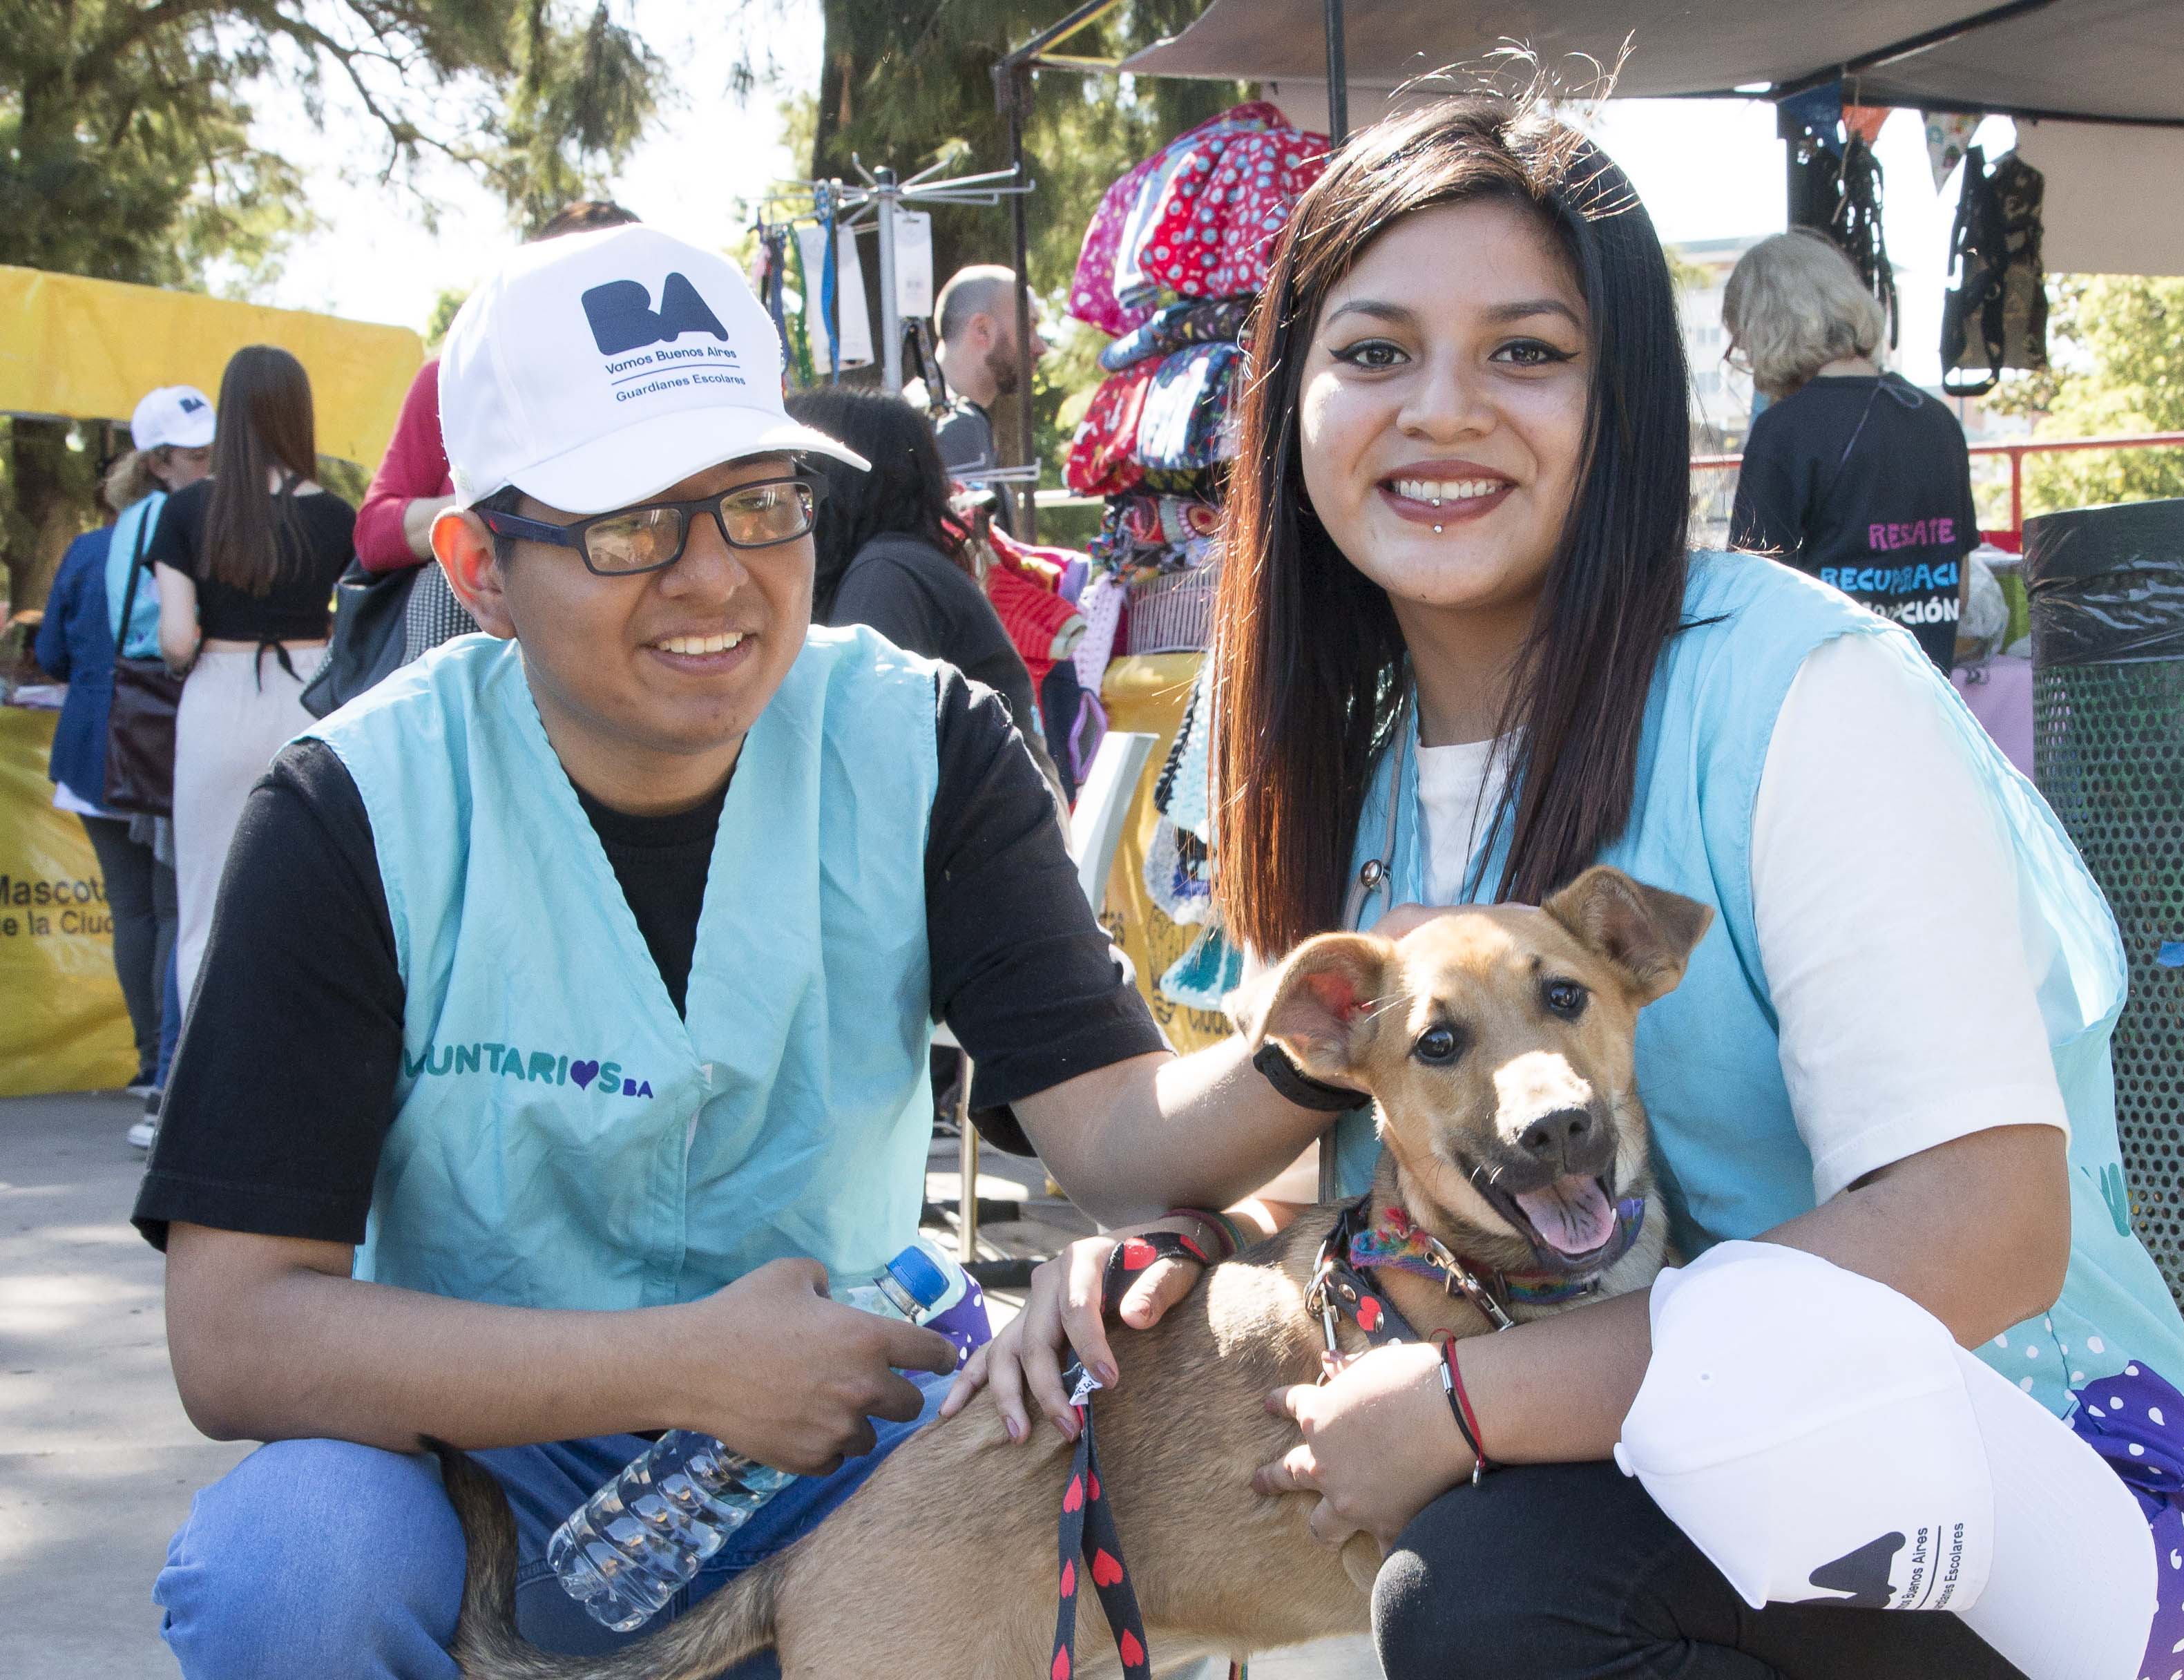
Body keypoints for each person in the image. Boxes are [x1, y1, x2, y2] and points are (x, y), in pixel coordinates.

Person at [948, 97, 2184, 1680]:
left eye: (1526, 352)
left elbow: (1980, 1234)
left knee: (1485, 1589)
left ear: (1628, 397)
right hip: (1680, 1475)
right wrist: (1158, 1256)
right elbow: (1359, 1175)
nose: (1440, 409)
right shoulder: (1353, 762)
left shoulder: (1799, 692)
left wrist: (1478, 1401)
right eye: (1372, 354)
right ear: (1287, 405)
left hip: (2017, 1487)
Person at [133, 223, 1348, 1679]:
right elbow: (236, 1334)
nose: (716, 578)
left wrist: (1316, 1039)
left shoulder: (922, 742)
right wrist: (679, 1365)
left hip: (843, 1436)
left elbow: (1114, 1131)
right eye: (630, 523)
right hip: (473, 1460)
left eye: (761, 503)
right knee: (291, 1568)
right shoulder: (356, 808)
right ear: (480, 566)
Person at [146, 345, 352, 1018]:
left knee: (205, 904)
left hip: (216, 697)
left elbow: (176, 639)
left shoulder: (184, 512)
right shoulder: (339, 517)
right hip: (310, 700)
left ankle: (204, 1090)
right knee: (308, 896)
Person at [351, 202, 644, 666]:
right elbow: (374, 534)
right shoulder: (454, 382)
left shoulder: (664, 392)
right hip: (473, 670)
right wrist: (490, 507)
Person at [34, 386, 213, 1106]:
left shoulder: (90, 548)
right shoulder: (192, 531)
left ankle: (151, 1064)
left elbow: (50, 652)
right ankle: (167, 1073)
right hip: (162, 744)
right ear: (161, 459)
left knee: (137, 911)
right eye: (200, 453)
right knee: (170, 909)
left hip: (88, 751)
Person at [1725, 228, 1980, 673]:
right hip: (1927, 693)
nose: (1743, 353)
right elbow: (1958, 590)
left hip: (1824, 702)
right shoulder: (1938, 419)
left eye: (1740, 338)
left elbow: (1753, 601)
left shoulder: (1783, 431)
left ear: (1767, 329)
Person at [785, 386, 1060, 792]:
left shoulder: (886, 575)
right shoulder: (902, 564)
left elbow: (860, 766)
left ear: (833, 483)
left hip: (996, 840)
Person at [927, 264, 1047, 479]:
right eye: (1028, 328)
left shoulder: (926, 414)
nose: (1041, 347)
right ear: (982, 329)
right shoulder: (956, 425)